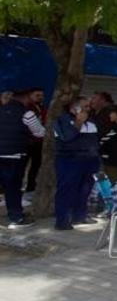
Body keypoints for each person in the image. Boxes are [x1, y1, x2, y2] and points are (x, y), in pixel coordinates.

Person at [52, 99, 102, 230]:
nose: (88, 109)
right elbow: (67, 137)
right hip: (69, 160)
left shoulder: (91, 122)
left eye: (88, 106)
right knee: (66, 190)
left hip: (89, 161)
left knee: (84, 190)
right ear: (74, 109)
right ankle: (62, 220)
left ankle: (79, 215)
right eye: (84, 106)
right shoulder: (61, 121)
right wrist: (78, 122)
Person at [0, 90, 43, 228]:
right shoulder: (27, 113)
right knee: (12, 187)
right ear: (26, 98)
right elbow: (39, 132)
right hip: (15, 155)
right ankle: (16, 217)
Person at [22, 89, 46, 197]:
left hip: (39, 141)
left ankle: (31, 186)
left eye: (41, 95)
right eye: (37, 95)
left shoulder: (42, 108)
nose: (40, 97)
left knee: (36, 165)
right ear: (30, 96)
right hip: (28, 141)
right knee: (22, 165)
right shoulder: (27, 109)